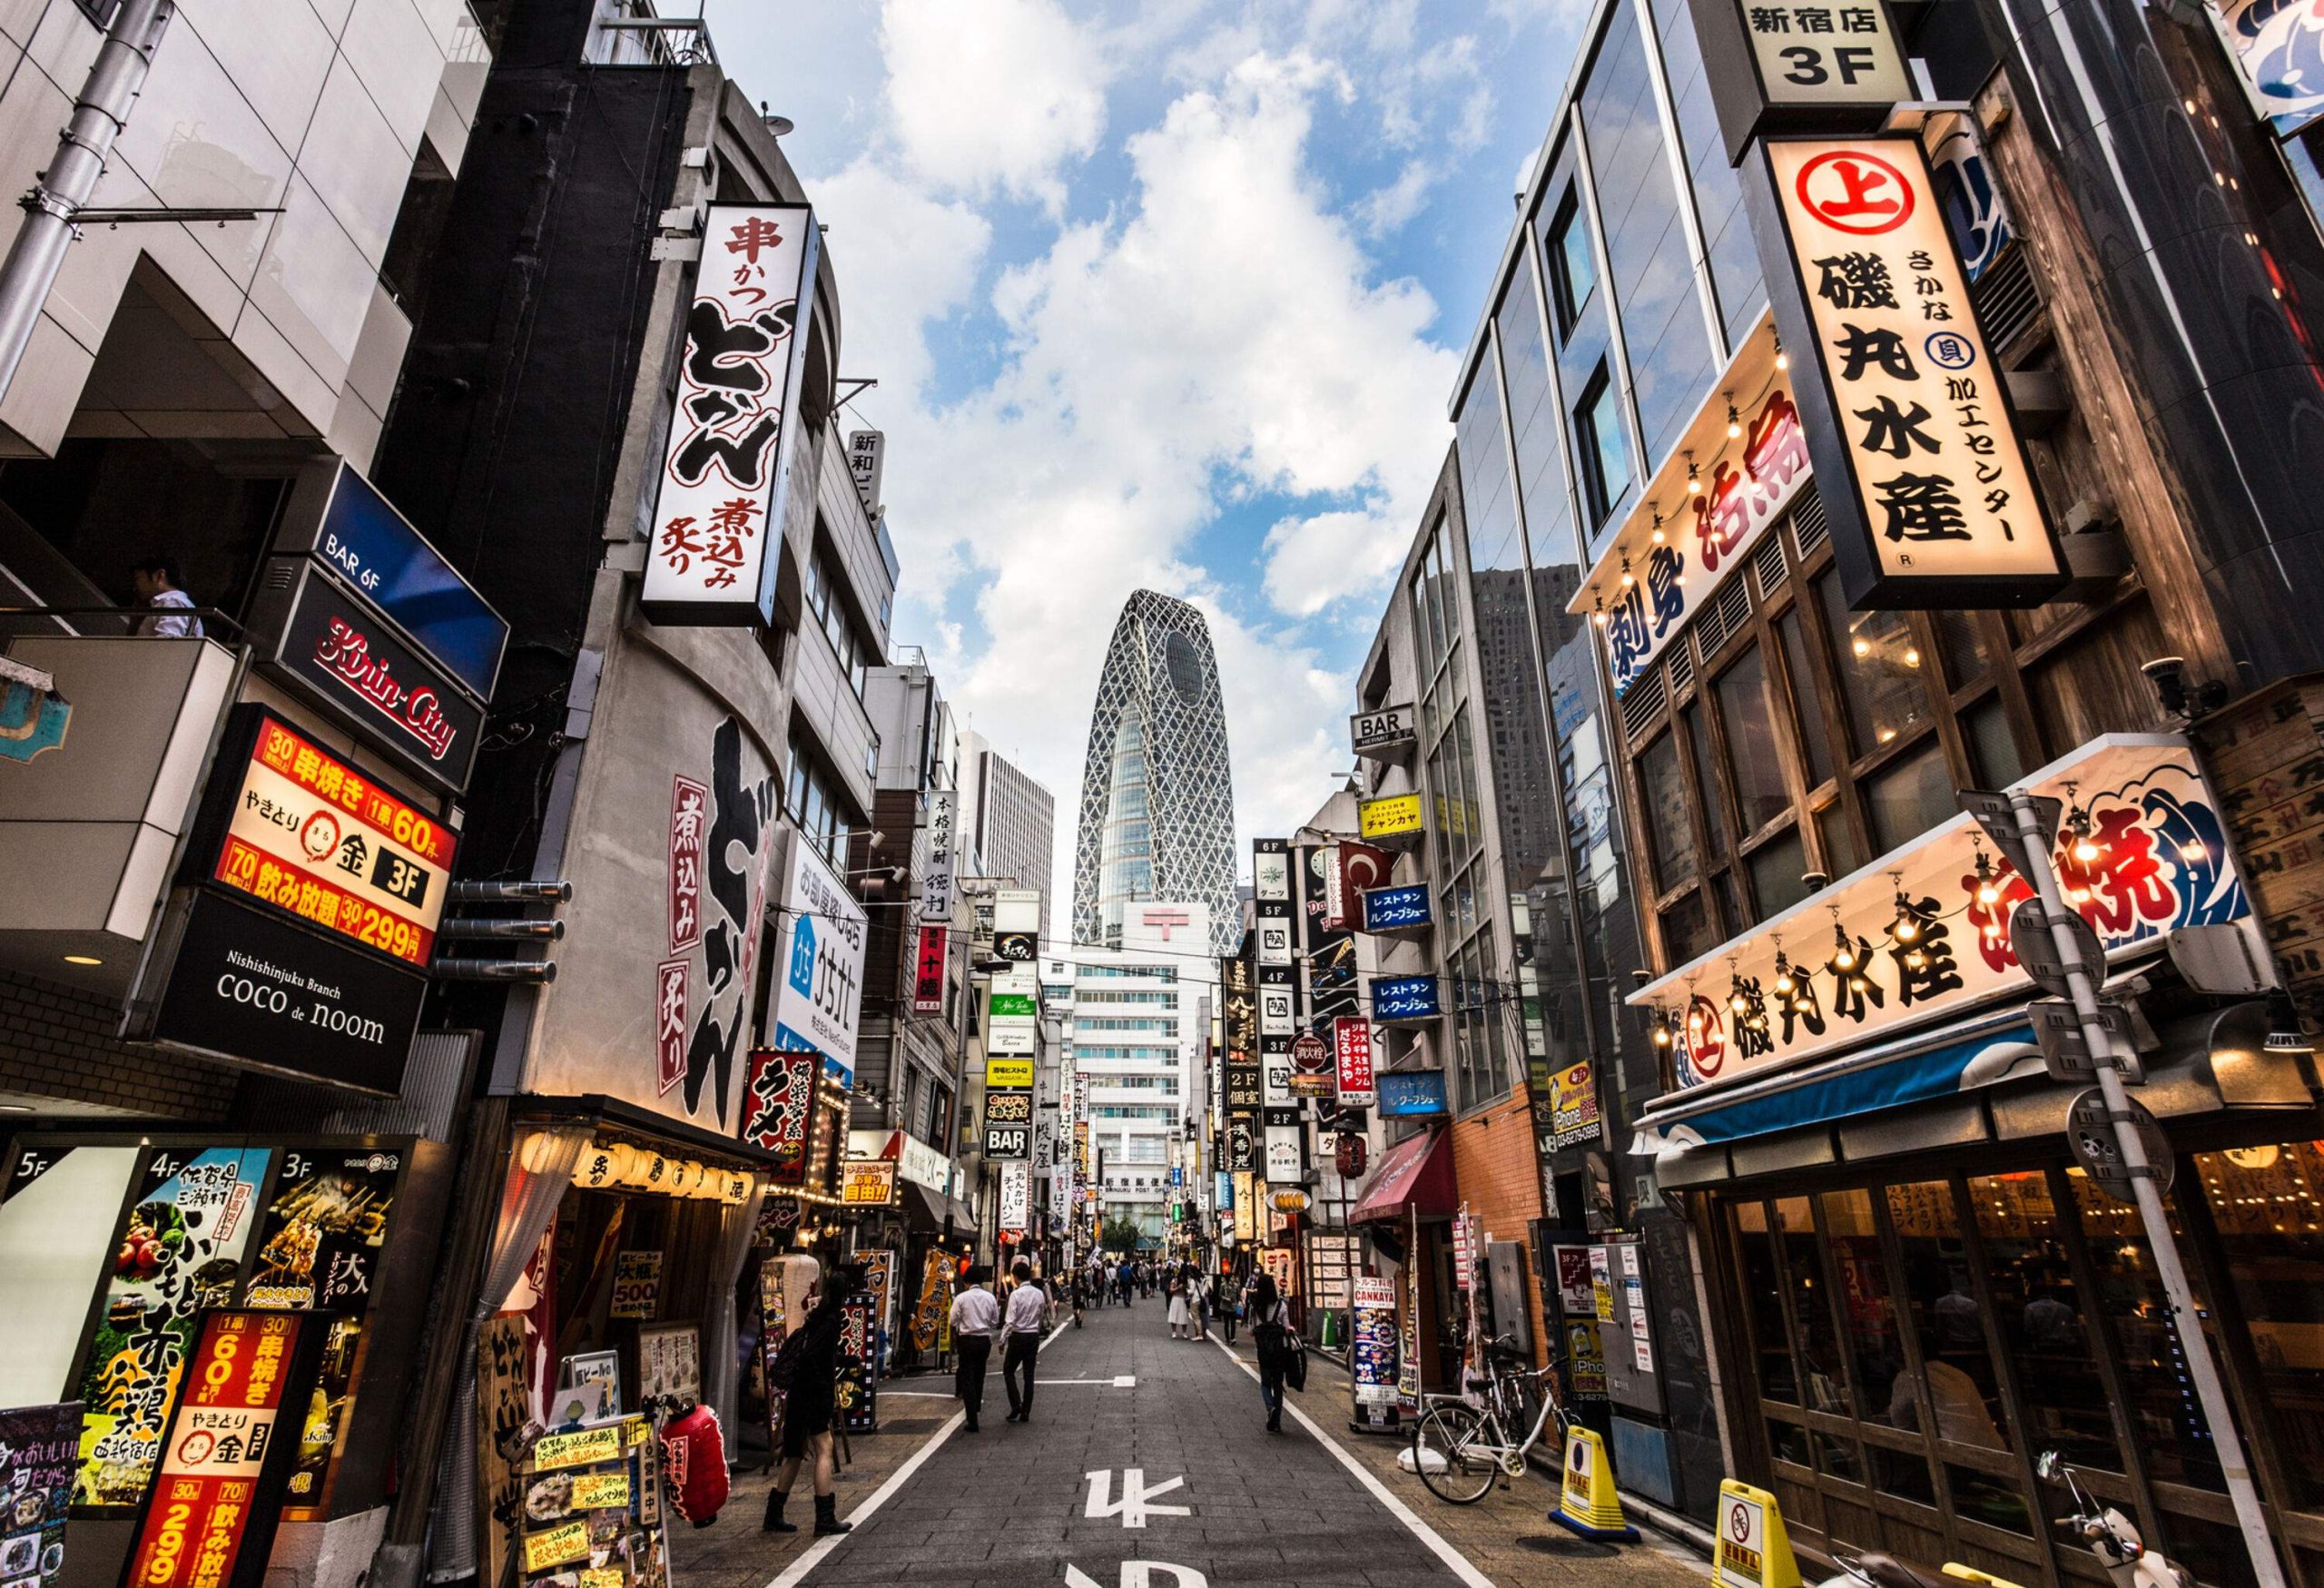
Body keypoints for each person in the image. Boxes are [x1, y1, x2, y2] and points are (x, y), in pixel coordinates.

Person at [763, 1263, 862, 1535]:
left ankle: (774, 1513)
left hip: (798, 1393)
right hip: (813, 1394)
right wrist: (822, 1388)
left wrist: (846, 1360)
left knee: (794, 1452)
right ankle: (824, 1517)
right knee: (824, 1448)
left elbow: (814, 1353)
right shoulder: (831, 1320)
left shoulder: (817, 1316)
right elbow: (812, 1357)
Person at [948, 1265, 1000, 1432]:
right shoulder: (990, 1297)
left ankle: (972, 1419)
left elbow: (952, 1320)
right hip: (984, 1340)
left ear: (966, 1281)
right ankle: (976, 1405)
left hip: (967, 1340)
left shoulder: (962, 1298)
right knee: (979, 1375)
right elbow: (995, 1321)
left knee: (967, 1377)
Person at [1001, 1258, 1048, 1423]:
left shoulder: (1015, 1295)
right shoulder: (1039, 1293)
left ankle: (1016, 1404)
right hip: (1033, 1336)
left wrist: (1002, 1340)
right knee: (1029, 1374)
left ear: (1016, 1277)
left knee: (1008, 1371)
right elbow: (1042, 1314)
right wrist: (1037, 1329)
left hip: (1018, 1336)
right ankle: (1026, 1411)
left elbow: (1010, 1320)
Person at [1248, 1271, 1294, 1434]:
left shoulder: (1255, 1306)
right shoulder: (1281, 1305)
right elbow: (1287, 1328)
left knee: (1265, 1383)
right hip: (1279, 1350)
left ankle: (1270, 1407)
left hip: (1263, 1351)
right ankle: (1277, 1421)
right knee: (1278, 1385)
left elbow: (1251, 1331)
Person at [133, 558, 202, 637]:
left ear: (159, 575)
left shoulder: (173, 601)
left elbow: (166, 643)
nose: (135, 586)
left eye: (138, 577)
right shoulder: (172, 602)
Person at [1166, 1264, 1191, 1339]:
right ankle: (1174, 1332)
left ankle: (1184, 1332)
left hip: (1183, 1299)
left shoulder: (1186, 1281)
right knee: (1174, 1316)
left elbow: (1188, 1290)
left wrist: (1186, 1288)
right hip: (1176, 1298)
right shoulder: (1175, 1280)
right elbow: (1170, 1290)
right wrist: (1177, 1288)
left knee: (1184, 1316)